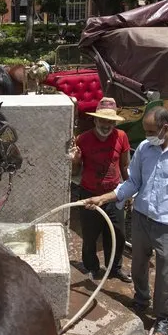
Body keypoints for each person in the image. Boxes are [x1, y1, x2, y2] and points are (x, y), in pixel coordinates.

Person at [83, 106, 168, 335]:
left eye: (151, 131)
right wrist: (104, 197)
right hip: (141, 219)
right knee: (138, 267)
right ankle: (142, 299)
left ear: (166, 127)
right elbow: (133, 183)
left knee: (165, 276)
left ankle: (163, 318)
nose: (147, 136)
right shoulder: (145, 148)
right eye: (145, 131)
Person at [69, 97, 132, 283]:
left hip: (114, 195)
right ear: (95, 120)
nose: (106, 125)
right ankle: (91, 267)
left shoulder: (121, 136)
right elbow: (75, 172)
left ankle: (115, 268)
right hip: (89, 193)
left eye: (110, 121)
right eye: (102, 120)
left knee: (118, 234)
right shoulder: (83, 139)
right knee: (90, 235)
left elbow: (125, 167)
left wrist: (129, 193)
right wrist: (75, 160)